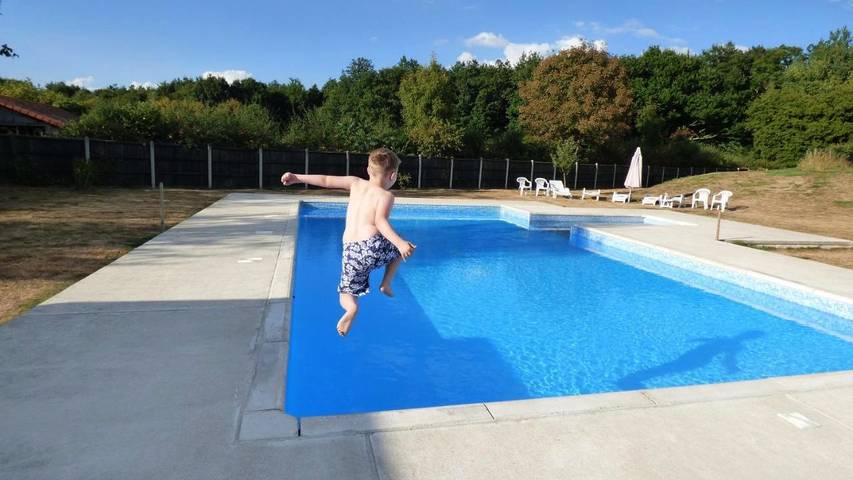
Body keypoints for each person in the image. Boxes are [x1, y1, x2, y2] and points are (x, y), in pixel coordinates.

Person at [280, 147, 416, 336]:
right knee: (402, 249)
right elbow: (380, 222)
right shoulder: (386, 196)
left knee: (346, 292)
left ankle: (351, 310)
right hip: (372, 246)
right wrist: (400, 243)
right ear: (392, 176)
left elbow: (326, 180)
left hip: (351, 251)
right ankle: (386, 283)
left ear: (368, 170)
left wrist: (297, 177)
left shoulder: (355, 182)